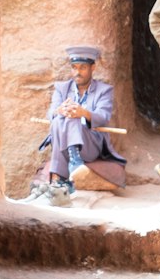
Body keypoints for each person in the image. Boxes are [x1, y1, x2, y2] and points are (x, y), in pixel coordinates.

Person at [27, 46, 127, 202]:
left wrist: (83, 113)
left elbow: (103, 117)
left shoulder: (104, 90)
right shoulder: (62, 88)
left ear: (92, 67)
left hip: (90, 145)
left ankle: (68, 167)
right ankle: (71, 165)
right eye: (74, 67)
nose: (77, 72)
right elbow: (51, 113)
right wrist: (60, 110)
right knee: (61, 117)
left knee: (72, 115)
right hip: (63, 142)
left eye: (83, 67)